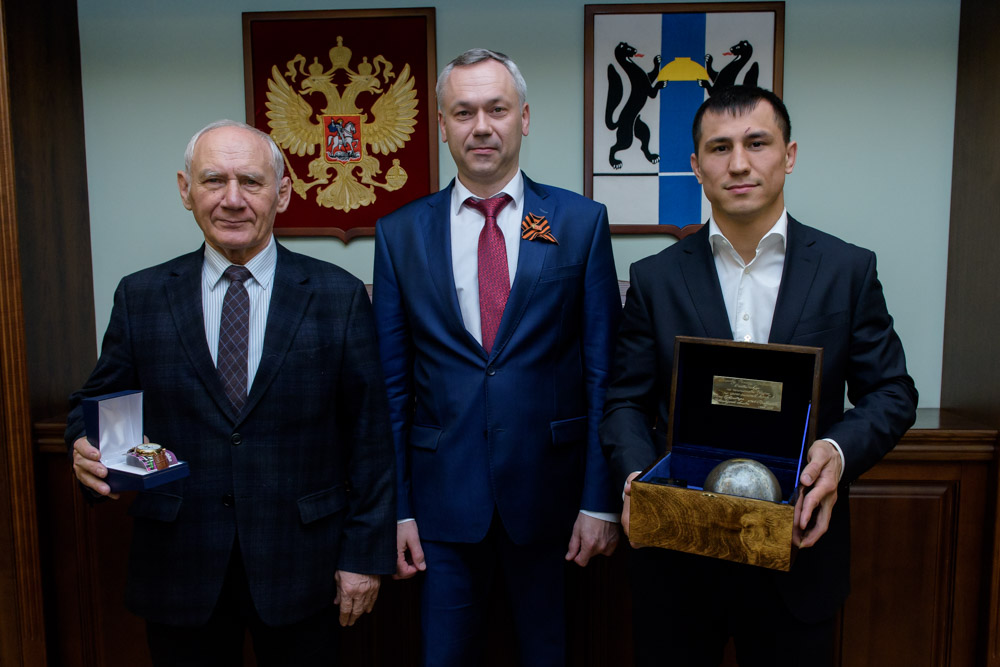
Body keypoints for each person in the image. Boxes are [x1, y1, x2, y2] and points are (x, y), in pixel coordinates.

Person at [600, 86, 918, 666]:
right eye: (719, 148)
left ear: (788, 155)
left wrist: (837, 451)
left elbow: (892, 392)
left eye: (757, 143)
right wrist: (636, 477)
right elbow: (624, 400)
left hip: (799, 555)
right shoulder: (653, 278)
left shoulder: (847, 270)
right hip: (678, 560)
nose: (739, 163)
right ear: (697, 166)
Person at [66, 120, 395, 666]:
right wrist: (86, 443)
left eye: (251, 181)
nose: (233, 199)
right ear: (185, 189)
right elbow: (96, 405)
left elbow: (371, 439)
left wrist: (363, 555)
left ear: (282, 192)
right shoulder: (141, 295)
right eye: (214, 180)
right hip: (179, 564)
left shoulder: (338, 296)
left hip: (304, 565)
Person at [372, 49, 621, 666]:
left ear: (524, 118)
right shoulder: (399, 233)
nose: (481, 126)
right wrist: (398, 511)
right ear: (442, 125)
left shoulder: (579, 222)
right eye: (463, 112)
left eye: (497, 109)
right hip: (441, 505)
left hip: (552, 502)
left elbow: (603, 375)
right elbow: (392, 387)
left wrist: (598, 500)